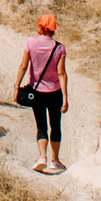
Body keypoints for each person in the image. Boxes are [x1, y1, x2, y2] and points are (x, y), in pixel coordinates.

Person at [14, 13, 69, 174]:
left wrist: (17, 86)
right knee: (55, 126)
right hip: (55, 92)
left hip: (36, 91)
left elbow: (23, 66)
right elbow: (61, 74)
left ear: (40, 26)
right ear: (53, 28)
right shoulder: (60, 48)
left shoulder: (30, 42)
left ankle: (42, 157)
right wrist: (65, 97)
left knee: (41, 126)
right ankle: (55, 160)